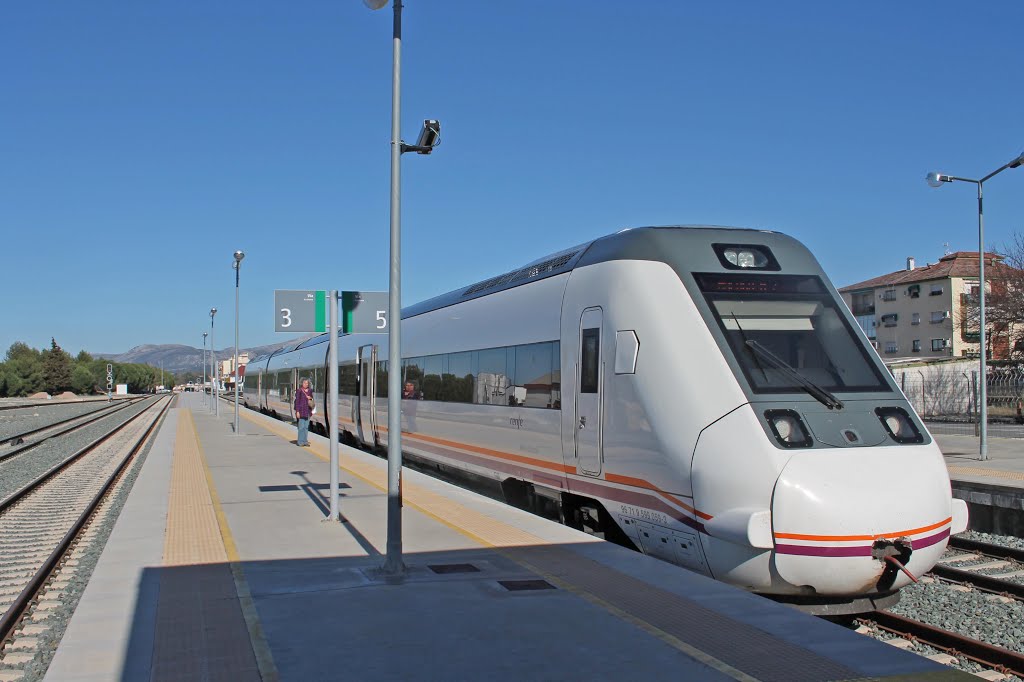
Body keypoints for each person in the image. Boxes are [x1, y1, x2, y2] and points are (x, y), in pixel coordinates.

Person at [294, 378, 314, 446]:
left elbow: (312, 399)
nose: (306, 384)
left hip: (308, 411)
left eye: (307, 383)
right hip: (301, 411)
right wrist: (297, 411)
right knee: (301, 427)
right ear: (302, 384)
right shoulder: (299, 391)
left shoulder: (310, 391)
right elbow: (297, 402)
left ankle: (305, 441)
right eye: (305, 383)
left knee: (306, 427)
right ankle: (300, 442)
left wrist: (310, 398)